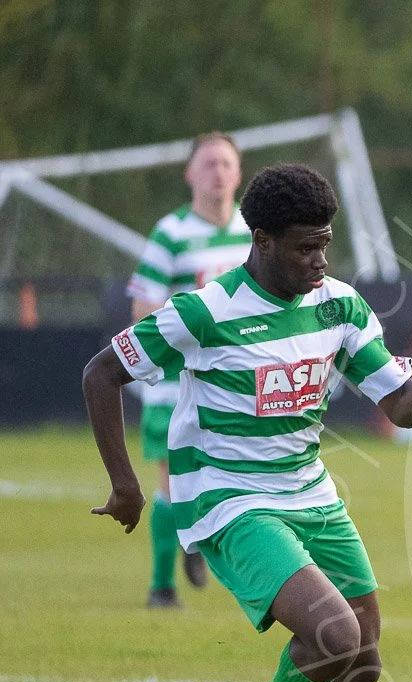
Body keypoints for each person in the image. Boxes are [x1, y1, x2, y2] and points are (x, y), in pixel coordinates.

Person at [83, 163, 412, 682]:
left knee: (363, 663)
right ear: (261, 240)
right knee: (333, 632)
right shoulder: (206, 311)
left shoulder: (340, 306)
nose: (319, 260)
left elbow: (402, 409)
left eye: (326, 244)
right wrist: (125, 482)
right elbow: (101, 372)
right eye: (303, 246)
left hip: (308, 490)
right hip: (228, 497)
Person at [127, 131, 253, 608]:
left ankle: (197, 536)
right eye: (208, 164)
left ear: (238, 173)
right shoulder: (170, 233)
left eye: (225, 164)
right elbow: (143, 308)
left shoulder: (252, 230)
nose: (217, 173)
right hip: (175, 384)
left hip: (232, 382)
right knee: (171, 479)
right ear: (190, 174)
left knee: (230, 478)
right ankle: (162, 587)